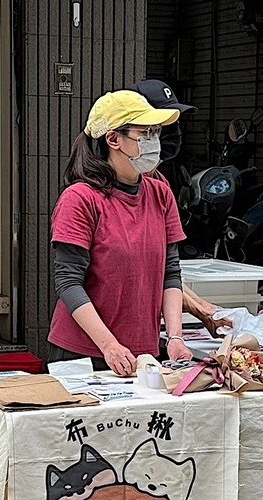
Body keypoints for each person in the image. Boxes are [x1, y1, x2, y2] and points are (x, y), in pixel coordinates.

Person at [48, 90, 192, 376]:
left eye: (156, 133)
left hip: (144, 351)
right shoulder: (80, 198)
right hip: (83, 353)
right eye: (145, 133)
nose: (154, 142)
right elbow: (68, 282)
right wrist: (109, 346)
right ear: (113, 139)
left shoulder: (160, 194)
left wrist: (175, 337)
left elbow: (171, 272)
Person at [130, 78, 233, 339]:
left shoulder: (159, 184)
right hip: (103, 340)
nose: (170, 132)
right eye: (158, 126)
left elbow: (167, 268)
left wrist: (206, 311)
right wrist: (202, 310)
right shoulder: (97, 191)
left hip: (145, 335)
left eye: (172, 123)